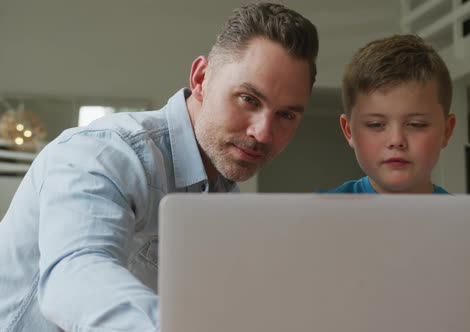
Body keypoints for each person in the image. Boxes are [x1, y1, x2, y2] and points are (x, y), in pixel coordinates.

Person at [0, 3, 318, 331]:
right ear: (200, 78)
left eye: (286, 115)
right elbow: (74, 275)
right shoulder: (104, 151)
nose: (263, 133)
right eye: (248, 99)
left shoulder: (224, 197)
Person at [325, 34, 470, 332]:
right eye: (376, 125)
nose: (396, 140)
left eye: (416, 125)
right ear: (349, 131)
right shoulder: (319, 217)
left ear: (446, 130)